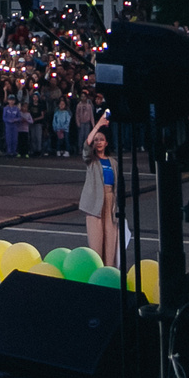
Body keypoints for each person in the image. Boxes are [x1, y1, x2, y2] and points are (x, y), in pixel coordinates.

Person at [80, 114, 119, 266]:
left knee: (111, 242)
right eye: (96, 140)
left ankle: (109, 270)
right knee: (96, 243)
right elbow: (86, 145)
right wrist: (98, 125)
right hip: (94, 202)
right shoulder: (91, 160)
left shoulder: (113, 162)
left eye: (101, 139)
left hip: (110, 202)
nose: (98, 142)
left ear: (106, 143)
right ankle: (97, 270)